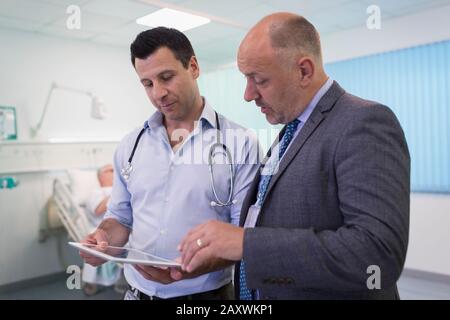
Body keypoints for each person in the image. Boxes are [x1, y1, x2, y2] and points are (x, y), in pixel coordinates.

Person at [178, 12, 410, 300]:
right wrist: (221, 256)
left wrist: (246, 244)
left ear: (304, 71)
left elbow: (377, 254)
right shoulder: (291, 130)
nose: (248, 95)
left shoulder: (363, 122)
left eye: (258, 79)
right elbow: (271, 220)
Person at [79, 27, 260, 300]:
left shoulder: (240, 143)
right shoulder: (131, 145)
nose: (158, 93)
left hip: (205, 297)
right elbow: (120, 218)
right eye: (147, 84)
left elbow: (243, 236)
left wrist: (194, 268)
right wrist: (103, 241)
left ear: (194, 67)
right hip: (136, 293)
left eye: (166, 77)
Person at [82, 164, 122, 295]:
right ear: (101, 176)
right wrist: (119, 191)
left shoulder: (123, 188)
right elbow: (99, 210)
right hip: (104, 228)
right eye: (111, 170)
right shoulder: (96, 192)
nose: (115, 172)